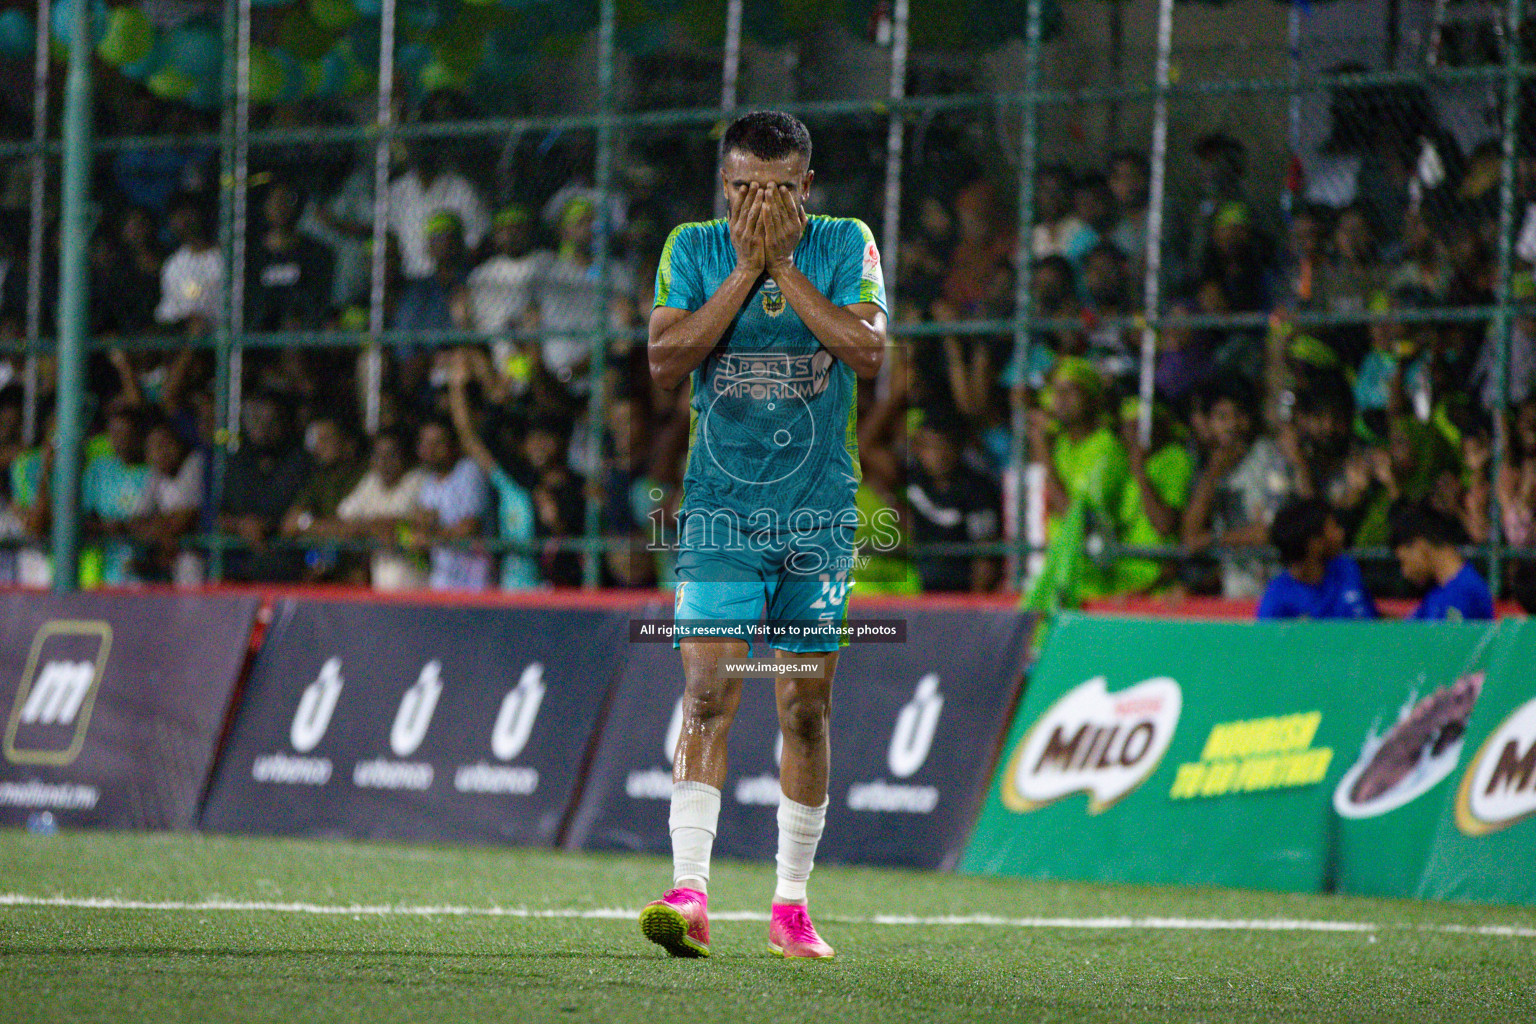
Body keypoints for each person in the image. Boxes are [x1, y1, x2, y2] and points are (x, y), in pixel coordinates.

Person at [640, 111, 887, 960]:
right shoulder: (694, 247)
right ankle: (690, 892)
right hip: (720, 512)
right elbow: (666, 358)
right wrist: (747, 270)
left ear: (806, 189)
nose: (758, 201)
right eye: (744, 187)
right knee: (708, 695)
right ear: (723, 184)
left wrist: (782, 264)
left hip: (818, 514)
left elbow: (867, 350)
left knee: (804, 709)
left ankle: (789, 903)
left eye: (778, 190)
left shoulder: (846, 241)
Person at [1257, 497, 1377, 619]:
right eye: (1333, 527)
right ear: (1314, 543)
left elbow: (1373, 619)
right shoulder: (1278, 596)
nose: (1341, 533)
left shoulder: (1347, 568)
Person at [1391, 503, 1495, 621]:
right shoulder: (1435, 595)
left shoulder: (1465, 591)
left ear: (1420, 546)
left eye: (1404, 561)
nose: (1405, 572)